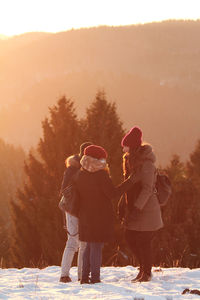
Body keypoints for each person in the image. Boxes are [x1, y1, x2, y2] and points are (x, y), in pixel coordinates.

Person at [75, 144, 136, 284]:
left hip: (85, 216)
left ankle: (84, 278)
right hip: (99, 216)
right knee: (96, 247)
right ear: (98, 160)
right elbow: (113, 193)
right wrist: (130, 181)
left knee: (88, 247)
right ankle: (95, 278)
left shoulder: (80, 174)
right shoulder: (101, 175)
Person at [119, 126, 163, 282]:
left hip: (147, 209)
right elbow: (129, 184)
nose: (123, 148)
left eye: (125, 145)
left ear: (132, 146)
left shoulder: (147, 164)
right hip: (135, 208)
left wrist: (137, 208)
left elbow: (147, 189)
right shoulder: (131, 161)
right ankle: (143, 268)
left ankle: (146, 272)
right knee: (130, 237)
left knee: (143, 241)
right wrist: (122, 204)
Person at [59, 142, 92, 283]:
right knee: (78, 242)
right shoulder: (77, 170)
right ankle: (78, 275)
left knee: (74, 242)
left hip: (73, 210)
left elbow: (63, 190)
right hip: (75, 210)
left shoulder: (73, 168)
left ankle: (67, 275)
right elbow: (65, 190)